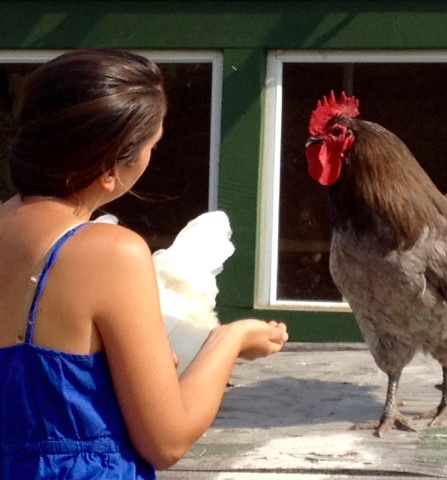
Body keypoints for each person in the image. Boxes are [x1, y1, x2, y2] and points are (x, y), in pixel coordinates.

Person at [0, 48, 288, 478]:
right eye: (152, 145)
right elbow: (167, 441)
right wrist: (228, 340)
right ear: (111, 170)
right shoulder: (111, 253)